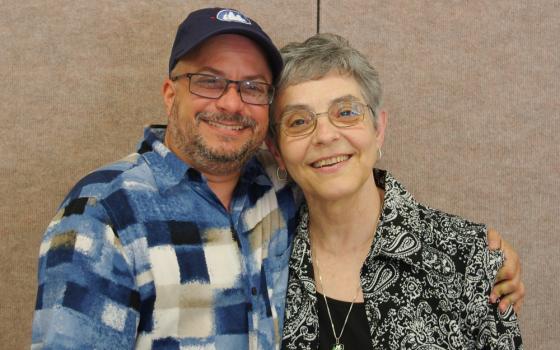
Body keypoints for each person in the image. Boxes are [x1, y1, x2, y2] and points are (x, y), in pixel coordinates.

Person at [31, 7, 523, 350]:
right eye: (208, 80)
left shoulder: (274, 196)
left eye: (251, 87)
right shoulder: (105, 211)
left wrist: (479, 252)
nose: (229, 102)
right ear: (169, 93)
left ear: (379, 127)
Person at [266, 33, 523, 349]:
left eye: (346, 112)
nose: (325, 136)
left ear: (378, 130)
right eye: (298, 121)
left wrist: (488, 258)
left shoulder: (469, 260)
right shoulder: (262, 258)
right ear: (277, 151)